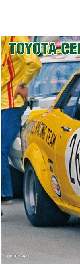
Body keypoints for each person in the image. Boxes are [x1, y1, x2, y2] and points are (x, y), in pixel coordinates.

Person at [1, 36, 41, 202]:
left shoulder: (15, 36)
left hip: (11, 103)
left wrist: (23, 84)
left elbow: (34, 62)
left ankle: (4, 194)